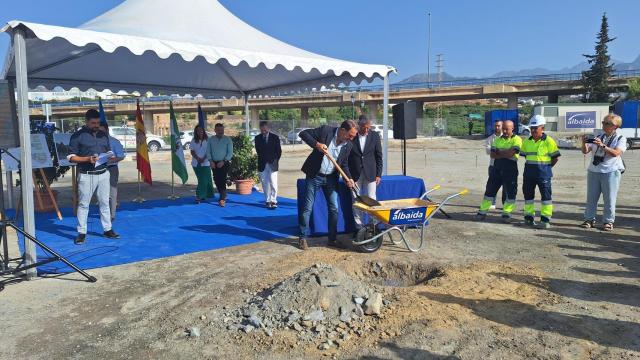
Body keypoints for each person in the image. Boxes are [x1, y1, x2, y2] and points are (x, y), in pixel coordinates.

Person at [298, 120, 357, 250]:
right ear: (342, 130)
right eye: (350, 135)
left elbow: (344, 164)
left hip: (331, 178)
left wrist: (349, 178)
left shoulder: (348, 145)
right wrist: (317, 144)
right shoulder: (326, 131)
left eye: (353, 136)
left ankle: (332, 239)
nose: (352, 139)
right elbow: (303, 134)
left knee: (334, 208)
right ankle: (302, 237)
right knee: (308, 207)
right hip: (314, 176)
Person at [68, 109, 119, 245]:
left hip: (104, 174)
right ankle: (82, 233)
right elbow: (71, 157)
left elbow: (107, 149)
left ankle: (107, 229)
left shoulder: (103, 134)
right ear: (86, 122)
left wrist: (110, 154)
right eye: (93, 123)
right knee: (84, 205)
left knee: (104, 203)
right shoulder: (77, 136)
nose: (96, 125)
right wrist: (87, 159)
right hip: (87, 175)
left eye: (97, 122)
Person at [580, 113, 627, 231]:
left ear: (615, 126)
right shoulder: (598, 136)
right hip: (594, 170)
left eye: (607, 123)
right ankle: (589, 219)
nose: (604, 125)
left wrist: (602, 146)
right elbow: (585, 151)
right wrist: (584, 143)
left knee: (609, 198)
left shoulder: (620, 138)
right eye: (603, 122)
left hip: (611, 171)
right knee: (591, 198)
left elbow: (616, 153)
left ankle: (608, 221)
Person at [476, 120, 522, 222]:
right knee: (489, 191)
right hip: (496, 170)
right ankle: (482, 212)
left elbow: (512, 153)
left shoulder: (517, 139)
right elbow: (492, 155)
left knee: (510, 192)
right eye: (503, 129)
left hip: (510, 170)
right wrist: (506, 152)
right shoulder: (497, 139)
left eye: (507, 129)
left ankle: (506, 213)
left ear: (512, 128)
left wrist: (500, 152)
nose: (504, 131)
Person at [521, 115, 561, 228]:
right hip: (529, 174)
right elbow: (526, 157)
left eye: (535, 127)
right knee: (528, 196)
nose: (533, 130)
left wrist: (546, 168)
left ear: (542, 128)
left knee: (546, 197)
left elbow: (555, 158)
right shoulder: (527, 142)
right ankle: (528, 218)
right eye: (531, 128)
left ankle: (545, 220)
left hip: (544, 175)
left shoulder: (549, 141)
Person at [348, 115, 382, 232]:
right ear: (359, 126)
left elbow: (379, 156)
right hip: (355, 174)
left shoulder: (375, 136)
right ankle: (359, 227)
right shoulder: (352, 136)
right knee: (356, 201)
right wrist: (348, 176)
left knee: (372, 199)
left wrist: (379, 174)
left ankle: (373, 225)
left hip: (371, 173)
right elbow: (347, 156)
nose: (367, 130)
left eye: (369, 128)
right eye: (364, 128)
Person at [98, 123, 126, 222]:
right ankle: (104, 213)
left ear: (107, 130)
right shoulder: (95, 142)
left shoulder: (114, 142)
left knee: (112, 192)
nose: (100, 132)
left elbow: (121, 156)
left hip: (111, 169)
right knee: (100, 192)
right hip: (98, 169)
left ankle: (112, 215)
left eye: (102, 130)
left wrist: (110, 160)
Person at [254, 121, 282, 209]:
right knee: (264, 183)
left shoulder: (275, 137)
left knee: (273, 183)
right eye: (262, 130)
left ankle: (273, 201)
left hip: (272, 164)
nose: (263, 132)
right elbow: (258, 150)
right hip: (262, 163)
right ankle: (267, 200)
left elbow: (279, 151)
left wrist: (274, 160)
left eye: (265, 130)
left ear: (268, 128)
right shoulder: (257, 138)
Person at [206, 123, 233, 207]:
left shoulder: (228, 139)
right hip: (214, 163)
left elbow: (230, 153)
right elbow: (208, 151)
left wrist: (223, 161)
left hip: (224, 163)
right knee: (216, 180)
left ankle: (222, 198)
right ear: (215, 130)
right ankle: (223, 193)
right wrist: (210, 161)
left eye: (221, 130)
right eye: (218, 130)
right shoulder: (210, 139)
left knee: (222, 179)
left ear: (223, 130)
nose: (220, 132)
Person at [190, 125, 214, 203]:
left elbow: (209, 151)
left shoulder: (208, 140)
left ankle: (203, 195)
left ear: (203, 131)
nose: (200, 132)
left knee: (206, 180)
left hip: (206, 163)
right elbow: (192, 151)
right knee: (202, 180)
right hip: (196, 163)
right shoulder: (193, 140)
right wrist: (198, 158)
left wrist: (203, 158)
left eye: (201, 130)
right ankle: (200, 196)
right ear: (196, 132)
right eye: (198, 131)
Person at [485, 120, 504, 210]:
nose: (497, 127)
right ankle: (492, 202)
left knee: (506, 187)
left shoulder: (507, 138)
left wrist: (495, 150)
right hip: (493, 166)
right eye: (495, 126)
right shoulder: (489, 139)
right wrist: (500, 151)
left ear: (502, 126)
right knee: (492, 185)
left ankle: (505, 204)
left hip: (505, 166)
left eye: (498, 126)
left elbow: (509, 150)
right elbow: (488, 151)